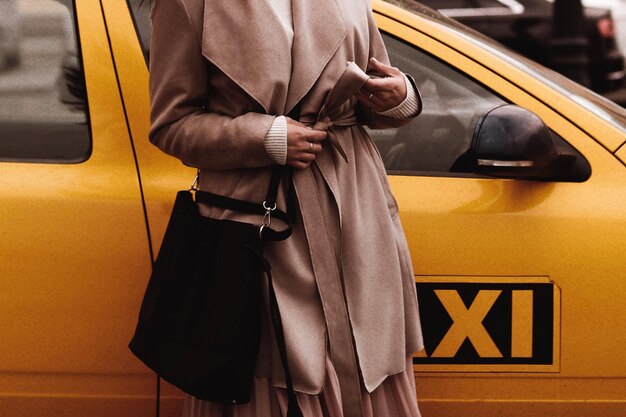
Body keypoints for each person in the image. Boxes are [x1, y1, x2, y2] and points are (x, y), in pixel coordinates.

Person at [148, 0, 425, 416]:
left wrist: (399, 95)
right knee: (275, 370)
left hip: (353, 210)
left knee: (365, 362)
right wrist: (265, 137)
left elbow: (369, 90)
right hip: (256, 229)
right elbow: (171, 124)